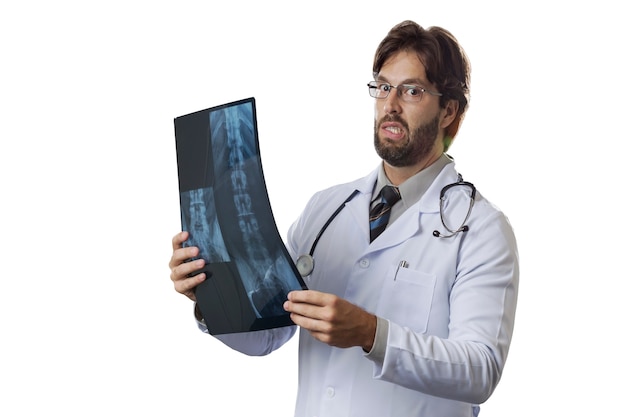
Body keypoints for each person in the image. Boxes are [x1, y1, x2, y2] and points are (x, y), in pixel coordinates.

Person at [169, 20, 519, 417]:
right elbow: (269, 336)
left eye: (412, 91)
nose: (391, 104)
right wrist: (210, 298)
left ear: (448, 111)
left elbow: (479, 370)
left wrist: (373, 334)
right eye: (384, 87)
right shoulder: (326, 210)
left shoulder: (482, 230)